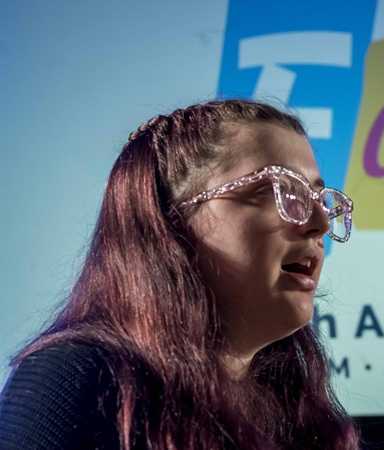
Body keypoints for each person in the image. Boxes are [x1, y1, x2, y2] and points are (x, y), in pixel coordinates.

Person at [0, 100, 357, 450]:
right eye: (282, 191)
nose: (320, 223)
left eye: (318, 198)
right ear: (170, 221)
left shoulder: (294, 408)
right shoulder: (75, 377)